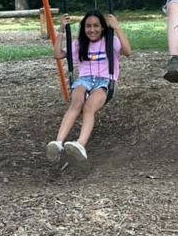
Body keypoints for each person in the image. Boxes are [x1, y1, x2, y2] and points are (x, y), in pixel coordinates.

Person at [46, 10, 131, 165]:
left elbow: (127, 51)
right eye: (88, 26)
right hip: (83, 80)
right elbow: (58, 54)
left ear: (103, 27)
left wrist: (117, 28)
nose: (92, 30)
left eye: (96, 26)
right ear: (84, 28)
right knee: (77, 104)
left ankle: (80, 144)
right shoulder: (79, 44)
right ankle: (58, 143)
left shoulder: (110, 41)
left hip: (104, 82)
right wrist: (60, 30)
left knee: (88, 108)